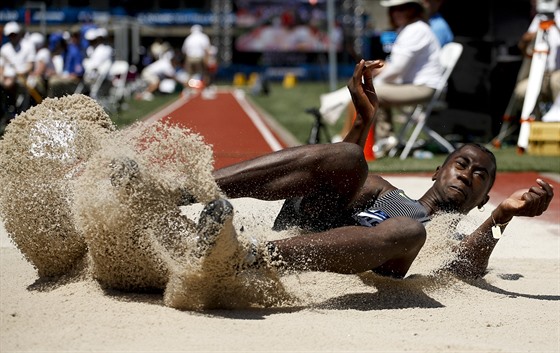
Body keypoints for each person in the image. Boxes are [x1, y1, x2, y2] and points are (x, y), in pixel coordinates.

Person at [206, 59, 554, 280]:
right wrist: (363, 120)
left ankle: (248, 255)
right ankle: (194, 186)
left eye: (480, 175)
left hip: (346, 259)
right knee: (350, 159)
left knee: (410, 230)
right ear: (436, 171)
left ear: (483, 200)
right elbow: (329, 176)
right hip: (310, 227)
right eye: (460, 164)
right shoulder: (384, 190)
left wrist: (503, 215)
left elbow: (471, 267)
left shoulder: (450, 241)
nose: (466, 174)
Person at [502, 5, 560, 123]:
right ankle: (535, 125)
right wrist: (526, 40)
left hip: (557, 74)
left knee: (556, 80)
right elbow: (524, 49)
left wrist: (555, 24)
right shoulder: (540, 17)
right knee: (521, 90)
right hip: (541, 76)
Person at [0, 21, 36, 118]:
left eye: (14, 35)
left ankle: (21, 111)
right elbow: (1, 66)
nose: (13, 37)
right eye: (10, 35)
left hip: (25, 76)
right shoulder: (4, 49)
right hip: (9, 77)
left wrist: (21, 73)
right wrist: (2, 77)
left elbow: (30, 65)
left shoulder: (28, 46)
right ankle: (8, 111)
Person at [47, 30, 85, 98]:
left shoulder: (74, 52)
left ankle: (52, 103)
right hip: (65, 77)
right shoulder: (64, 53)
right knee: (49, 78)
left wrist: (63, 77)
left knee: (53, 82)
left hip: (74, 82)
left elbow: (77, 75)